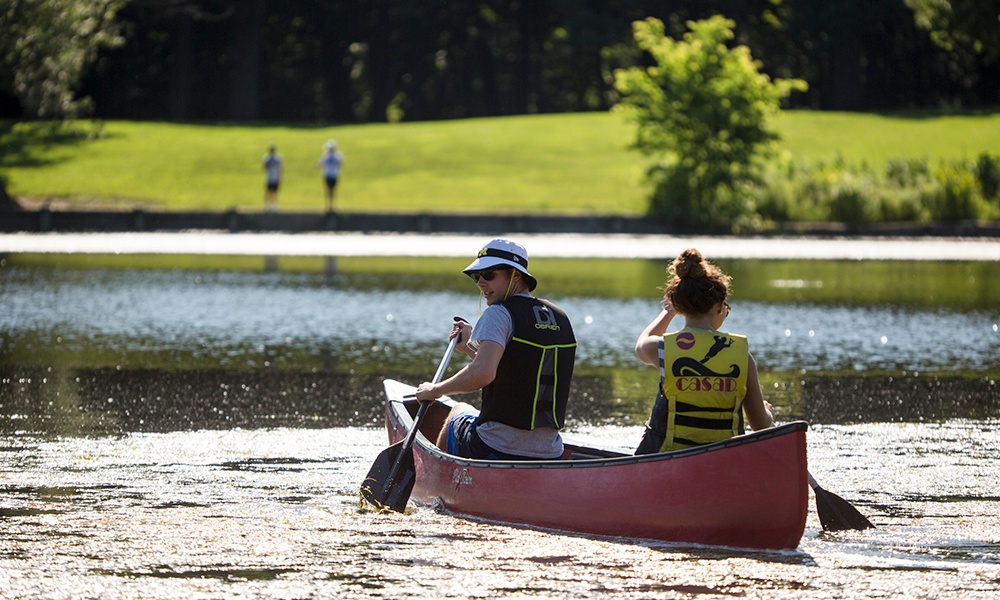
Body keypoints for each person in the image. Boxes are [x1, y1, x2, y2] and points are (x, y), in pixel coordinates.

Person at [414, 238, 577, 461]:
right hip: (550, 451)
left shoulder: (498, 313)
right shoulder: (560, 317)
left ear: (515, 275)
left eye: (489, 274)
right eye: (476, 276)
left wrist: (435, 390)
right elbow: (521, 369)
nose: (481, 283)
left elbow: (483, 373)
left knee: (458, 411)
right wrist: (472, 347)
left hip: (497, 446)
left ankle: (442, 482)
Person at [633, 248, 775, 455]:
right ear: (719, 306)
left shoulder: (662, 349)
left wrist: (667, 312)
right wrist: (768, 413)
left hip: (665, 458)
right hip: (722, 459)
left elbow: (641, 343)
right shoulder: (742, 356)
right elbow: (760, 426)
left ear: (679, 305)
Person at [317, 140, 344, 212]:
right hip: (333, 174)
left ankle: (329, 206)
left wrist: (319, 165)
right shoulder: (337, 156)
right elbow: (340, 165)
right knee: (332, 190)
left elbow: (322, 166)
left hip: (329, 174)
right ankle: (331, 206)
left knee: (329, 190)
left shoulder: (326, 156)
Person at [262, 145, 282, 212]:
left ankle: (274, 205)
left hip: (275, 177)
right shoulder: (267, 159)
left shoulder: (277, 159)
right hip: (269, 177)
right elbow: (264, 169)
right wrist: (268, 167)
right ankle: (267, 205)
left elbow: (279, 169)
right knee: (268, 192)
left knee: (275, 192)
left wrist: (279, 177)